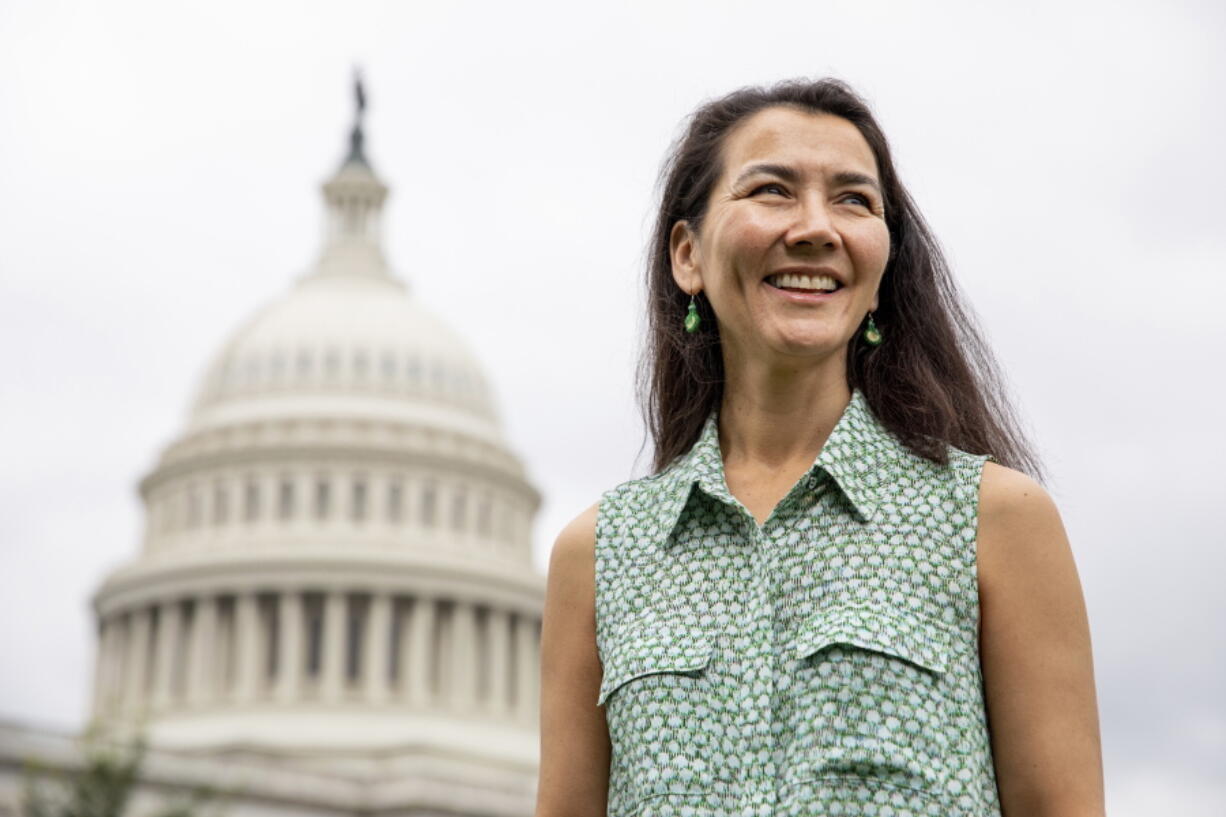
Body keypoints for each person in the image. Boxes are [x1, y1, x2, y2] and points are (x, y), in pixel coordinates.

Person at [535, 77, 1105, 817]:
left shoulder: (995, 520)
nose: (815, 227)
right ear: (688, 256)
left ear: (882, 269)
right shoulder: (600, 553)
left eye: (853, 199)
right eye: (772, 190)